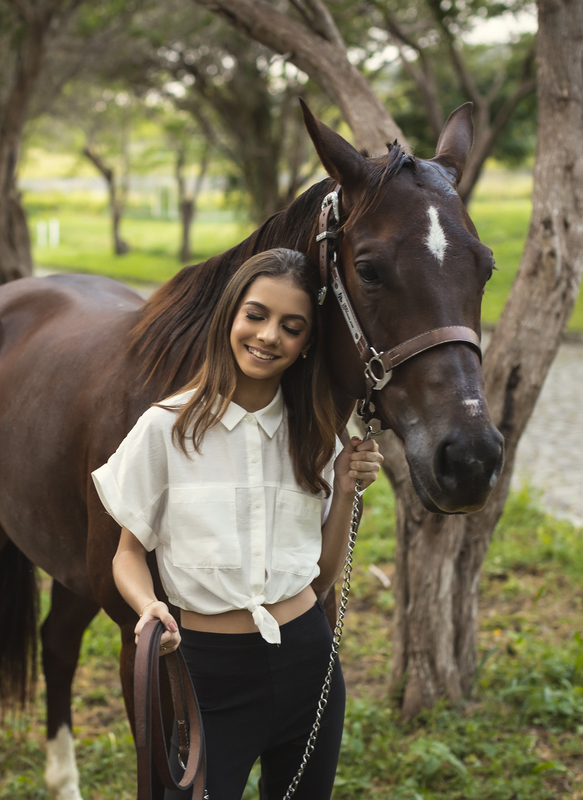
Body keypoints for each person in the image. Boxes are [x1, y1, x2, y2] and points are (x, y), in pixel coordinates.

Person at [92, 248, 383, 799]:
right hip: (208, 673)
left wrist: (345, 489)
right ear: (230, 316)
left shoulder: (314, 434)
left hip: (308, 663)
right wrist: (148, 604)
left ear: (305, 345)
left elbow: (319, 578)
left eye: (291, 327)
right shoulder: (166, 429)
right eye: (256, 315)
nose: (269, 335)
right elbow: (127, 553)